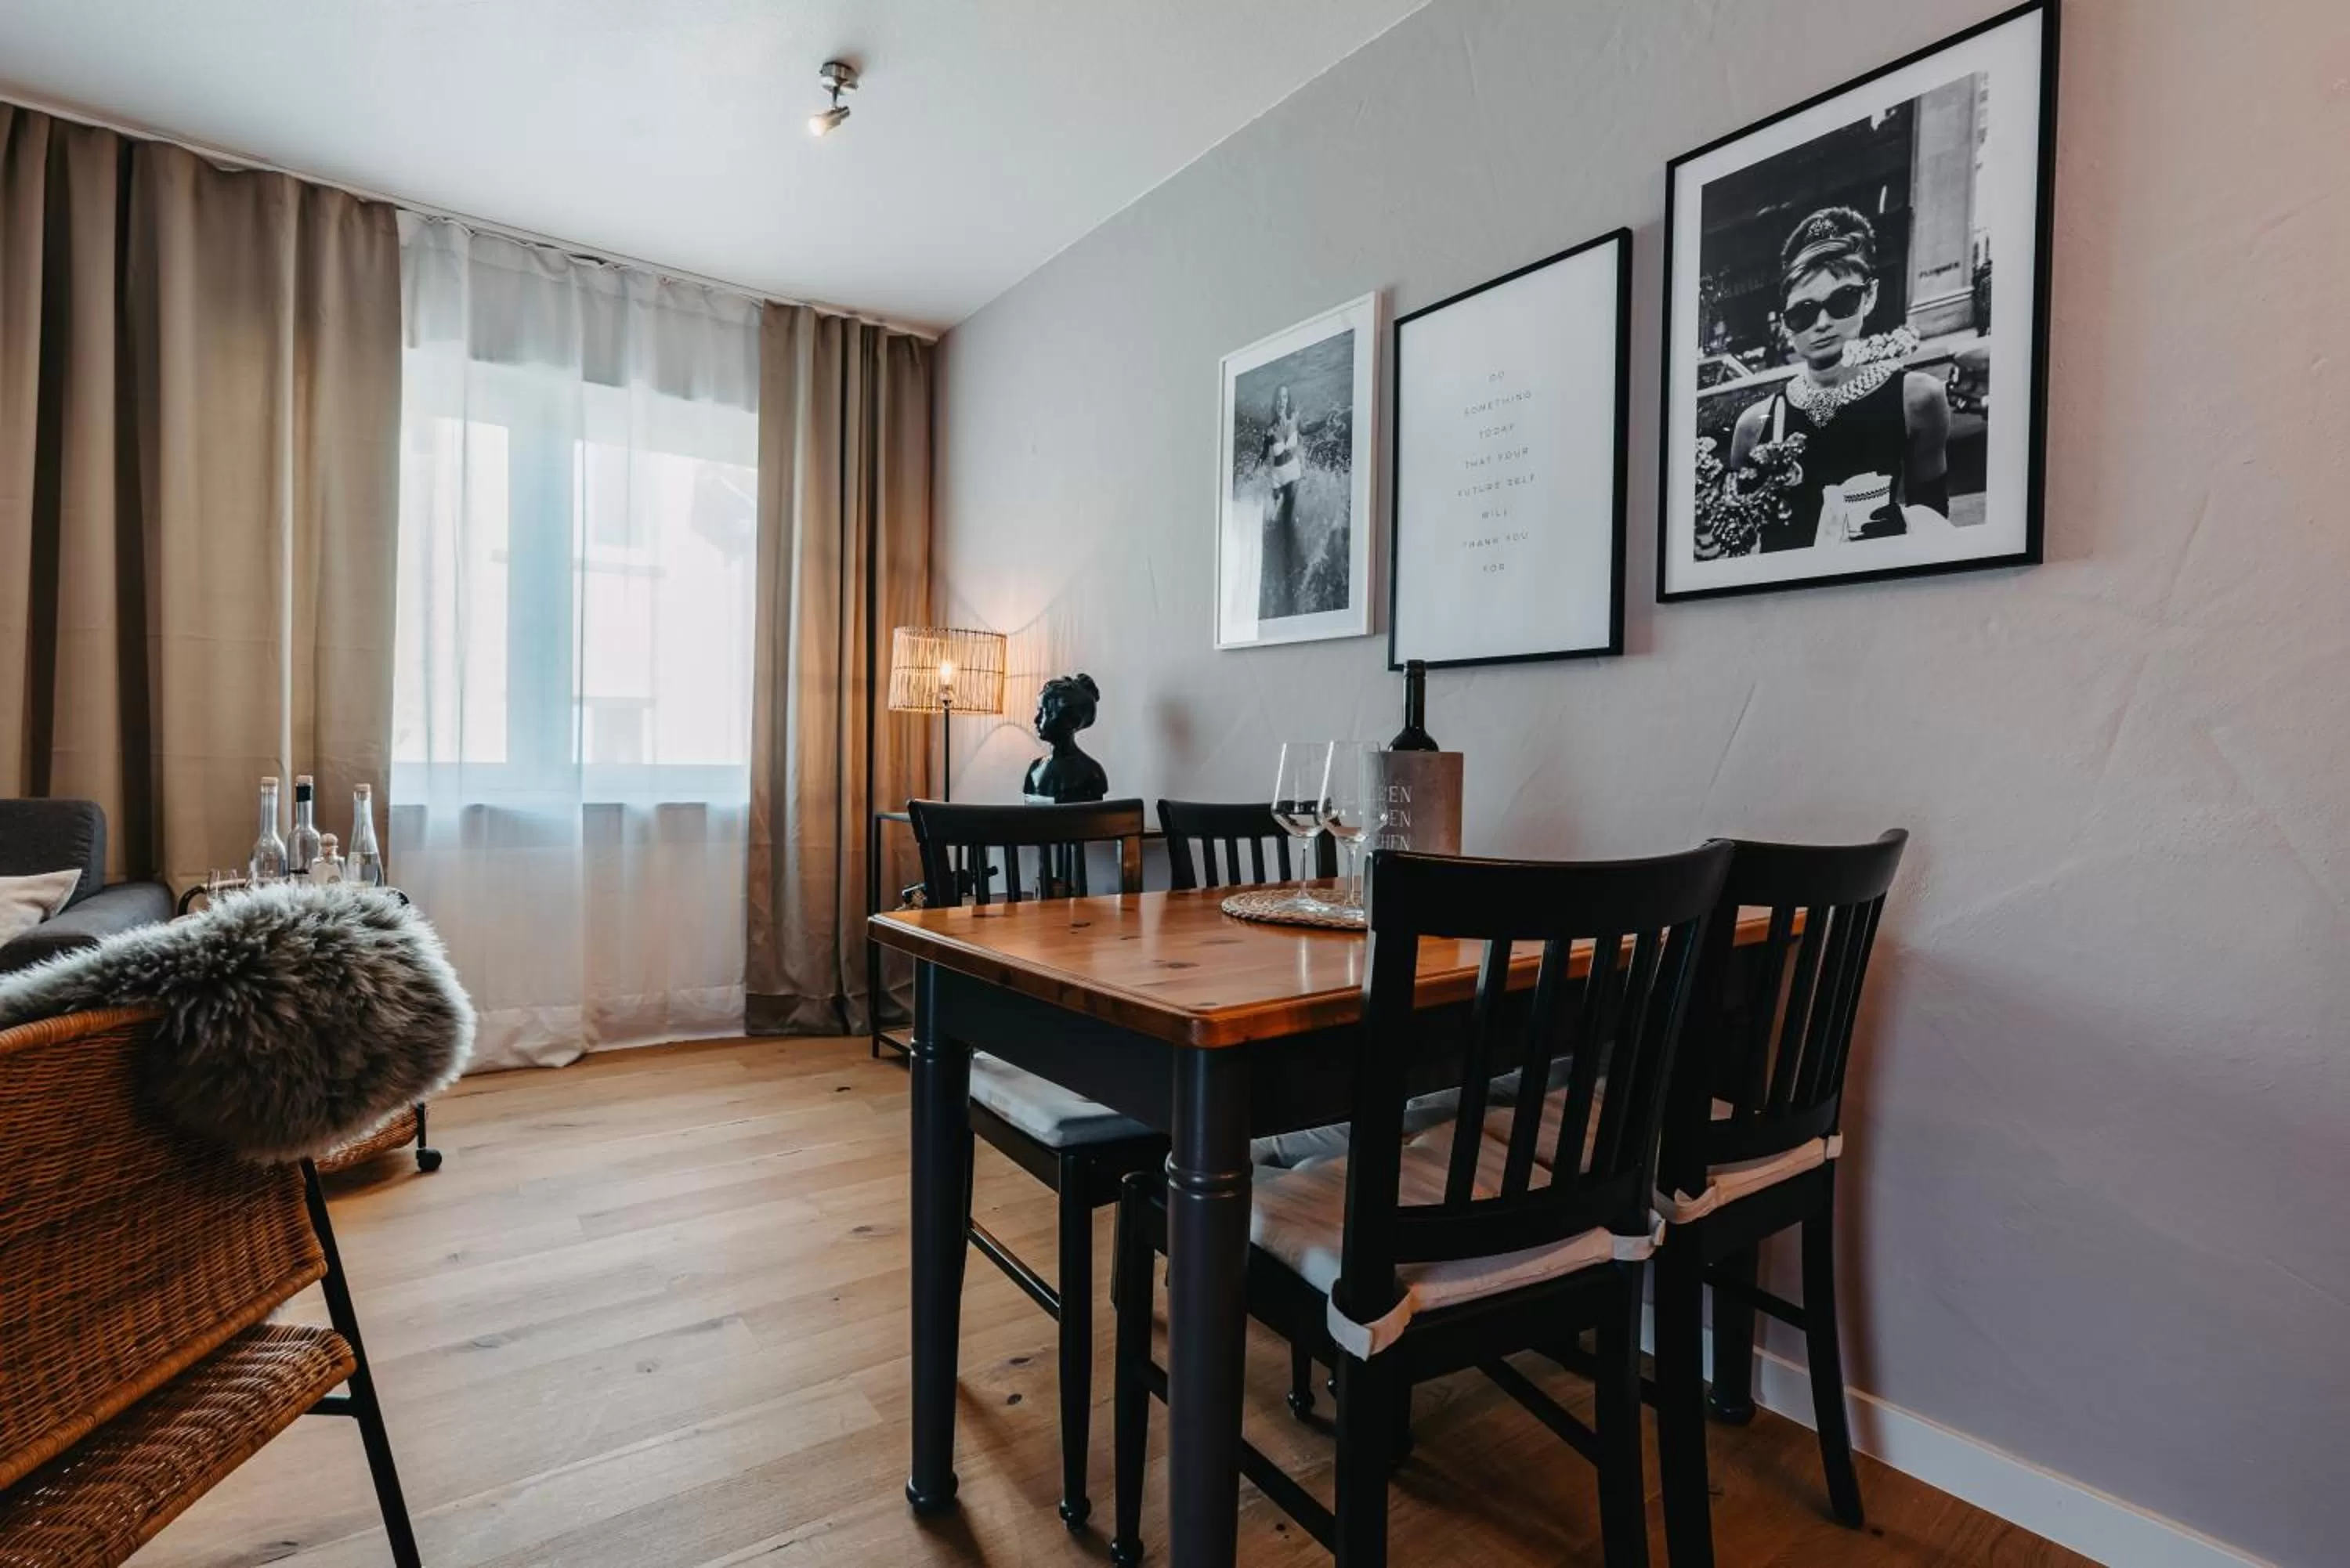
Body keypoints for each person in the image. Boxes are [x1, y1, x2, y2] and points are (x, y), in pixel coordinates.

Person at [1729, 207, 1952, 551]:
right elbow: (1740, 546)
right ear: (1786, 324)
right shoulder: (1754, 426)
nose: (1822, 324)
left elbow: (1935, 525)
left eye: (1842, 301)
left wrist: (1898, 524)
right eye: (1802, 313)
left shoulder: (1917, 399)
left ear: (1870, 296)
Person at [1257, 385, 1305, 617]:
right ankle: (1287, 565)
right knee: (1276, 520)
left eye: (1285, 397)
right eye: (1278, 398)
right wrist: (1252, 474)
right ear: (1274, 402)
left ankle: (1291, 568)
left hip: (1293, 474)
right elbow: (1263, 456)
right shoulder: (1269, 430)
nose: (1282, 401)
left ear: (1288, 400)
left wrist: (1328, 422)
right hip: (1277, 478)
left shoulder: (1295, 420)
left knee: (1287, 521)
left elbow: (1309, 431)